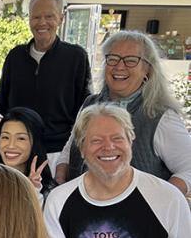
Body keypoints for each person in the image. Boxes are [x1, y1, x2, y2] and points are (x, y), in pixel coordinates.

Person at [45, 104, 191, 238]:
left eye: (117, 138)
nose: (108, 147)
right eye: (96, 140)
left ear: (131, 141)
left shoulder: (167, 198)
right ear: (81, 148)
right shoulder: (59, 201)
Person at [56, 30, 191, 195]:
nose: (119, 66)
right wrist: (60, 182)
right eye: (113, 59)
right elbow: (70, 149)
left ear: (147, 69)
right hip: (81, 212)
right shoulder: (90, 104)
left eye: (131, 60)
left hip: (132, 219)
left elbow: (188, 169)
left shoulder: (160, 116)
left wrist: (158, 203)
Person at [0, 0, 91, 171]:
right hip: (18, 152)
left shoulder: (76, 57)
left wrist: (70, 155)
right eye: (36, 17)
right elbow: (0, 104)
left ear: (61, 19)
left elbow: (84, 109)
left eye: (49, 16)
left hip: (57, 153)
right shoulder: (15, 57)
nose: (42, 22)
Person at [0, 107, 55, 201]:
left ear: (36, 143)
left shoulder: (50, 193)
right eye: (5, 137)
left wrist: (33, 191)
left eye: (21, 138)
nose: (11, 145)